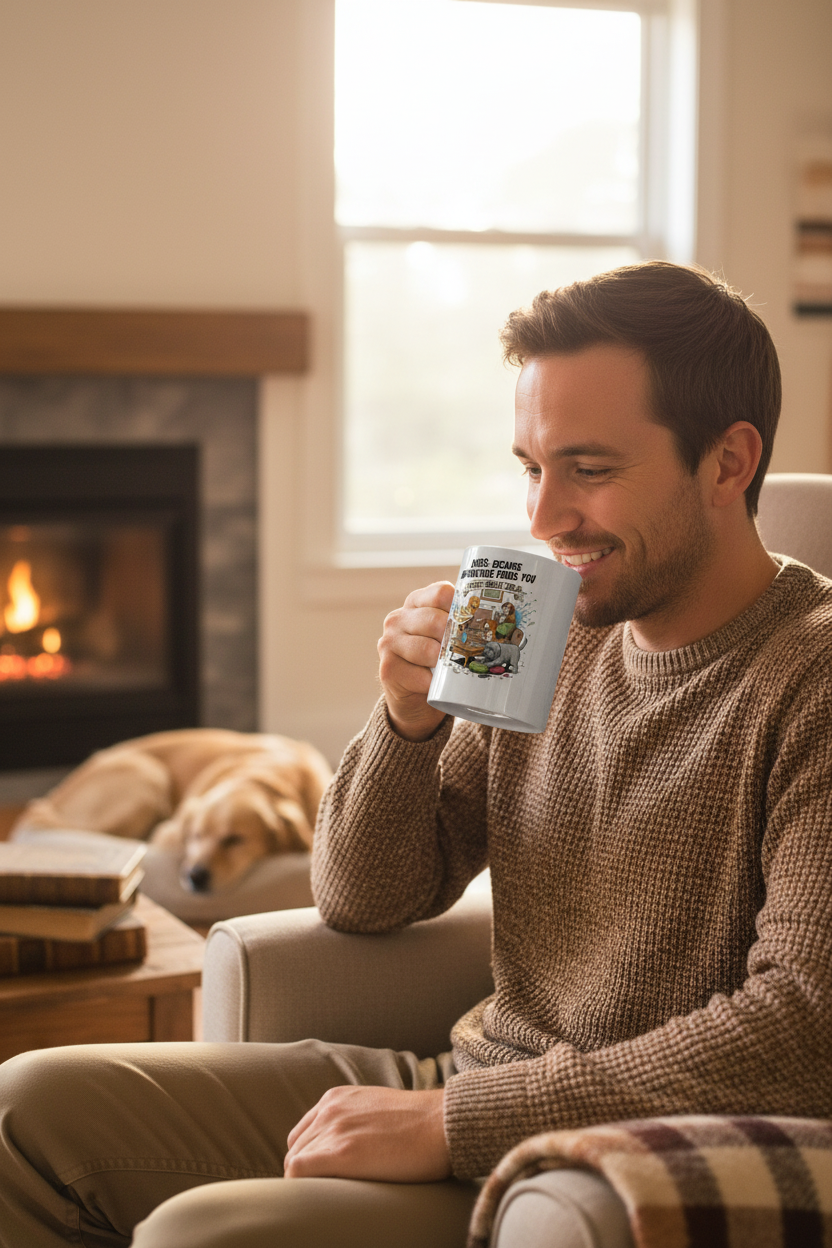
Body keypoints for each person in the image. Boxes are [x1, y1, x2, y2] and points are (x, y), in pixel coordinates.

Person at [1, 260, 830, 1248]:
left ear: (729, 464)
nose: (542, 519)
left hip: (609, 1150)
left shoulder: (808, 678)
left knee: (200, 1233)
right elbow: (364, 897)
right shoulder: (538, 620)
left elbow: (801, 1028)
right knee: (29, 1104)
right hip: (470, 1079)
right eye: (531, 467)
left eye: (590, 470)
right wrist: (405, 720)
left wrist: (453, 1124)